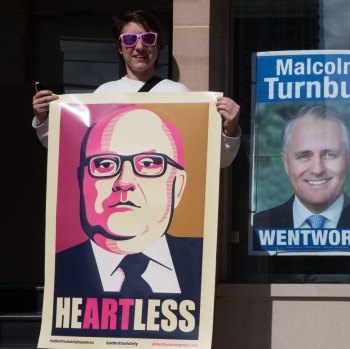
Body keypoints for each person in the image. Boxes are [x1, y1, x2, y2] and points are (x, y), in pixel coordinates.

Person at [53, 106, 202, 337]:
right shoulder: (58, 269)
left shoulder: (202, 262)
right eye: (104, 165)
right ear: (82, 181)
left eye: (150, 163)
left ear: (178, 186)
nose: (124, 181)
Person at [31, 9, 240, 168]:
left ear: (158, 46)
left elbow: (216, 161)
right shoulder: (103, 94)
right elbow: (67, 149)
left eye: (148, 38)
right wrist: (43, 119)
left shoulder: (178, 94)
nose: (139, 47)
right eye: (129, 39)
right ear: (119, 48)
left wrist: (230, 129)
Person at [252, 104, 350, 230]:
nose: (317, 169)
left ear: (349, 160)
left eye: (330, 154)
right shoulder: (258, 227)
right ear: (286, 163)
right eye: (304, 156)